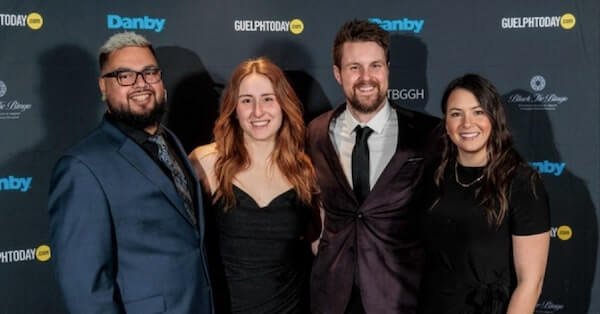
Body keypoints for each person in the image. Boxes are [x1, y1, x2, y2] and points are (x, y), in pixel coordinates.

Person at [47, 32, 214, 314]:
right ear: (103, 86)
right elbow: (86, 290)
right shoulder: (82, 167)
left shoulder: (170, 141)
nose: (141, 84)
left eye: (149, 72)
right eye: (124, 75)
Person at [307, 19, 440, 314]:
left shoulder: (429, 135)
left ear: (388, 68)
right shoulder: (314, 133)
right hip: (331, 298)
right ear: (337, 74)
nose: (366, 78)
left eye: (375, 65)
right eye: (354, 67)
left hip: (400, 297)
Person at [188, 57, 321, 314]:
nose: (258, 111)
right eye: (247, 100)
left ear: (283, 104)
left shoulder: (305, 171)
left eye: (268, 99)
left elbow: (322, 244)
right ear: (234, 108)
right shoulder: (206, 163)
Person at [419, 74, 550, 314]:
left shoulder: (522, 183)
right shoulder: (433, 175)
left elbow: (531, 283)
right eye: (456, 113)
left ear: (494, 118)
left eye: (478, 112)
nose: (467, 124)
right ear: (446, 123)